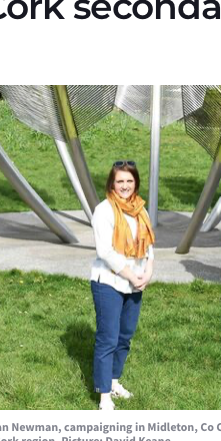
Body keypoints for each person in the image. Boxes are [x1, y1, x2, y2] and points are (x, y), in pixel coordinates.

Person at [90, 161, 155, 410]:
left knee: (125, 336)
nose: (125, 186)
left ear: (135, 182)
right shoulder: (104, 211)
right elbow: (105, 251)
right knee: (108, 338)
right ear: (112, 183)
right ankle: (104, 396)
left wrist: (147, 271)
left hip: (135, 282)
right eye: (120, 181)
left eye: (129, 181)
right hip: (109, 281)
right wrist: (131, 274)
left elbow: (149, 245)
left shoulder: (140, 209)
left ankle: (115, 381)